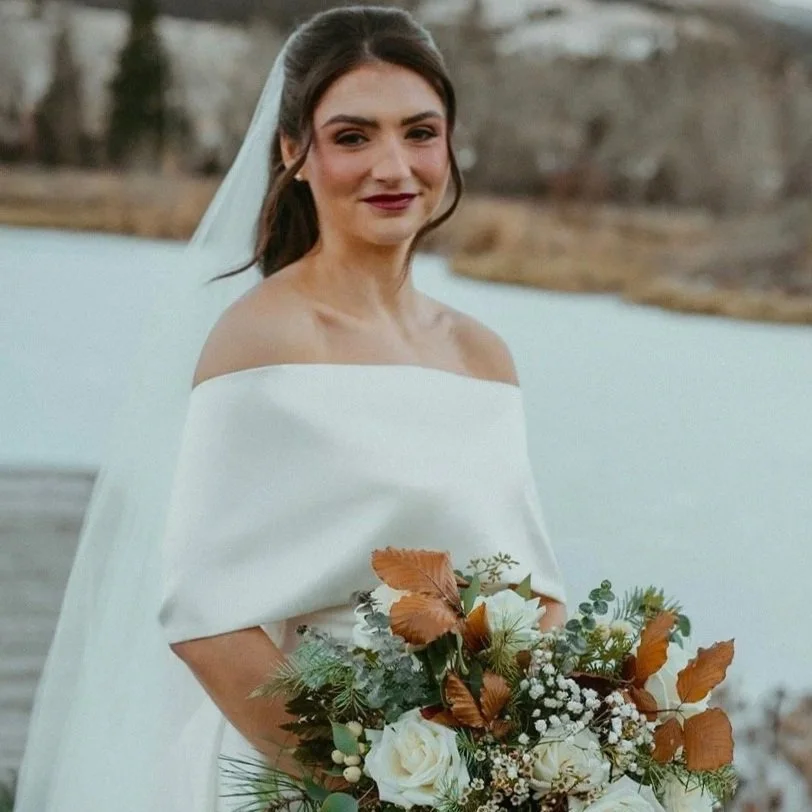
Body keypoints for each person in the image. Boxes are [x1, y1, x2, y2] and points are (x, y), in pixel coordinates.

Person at [14, 7, 567, 811]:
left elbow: (539, 596)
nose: (393, 165)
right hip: (298, 780)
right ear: (293, 154)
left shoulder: (483, 356)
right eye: (352, 137)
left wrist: (514, 763)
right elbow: (206, 622)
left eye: (420, 132)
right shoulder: (262, 341)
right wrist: (371, 786)